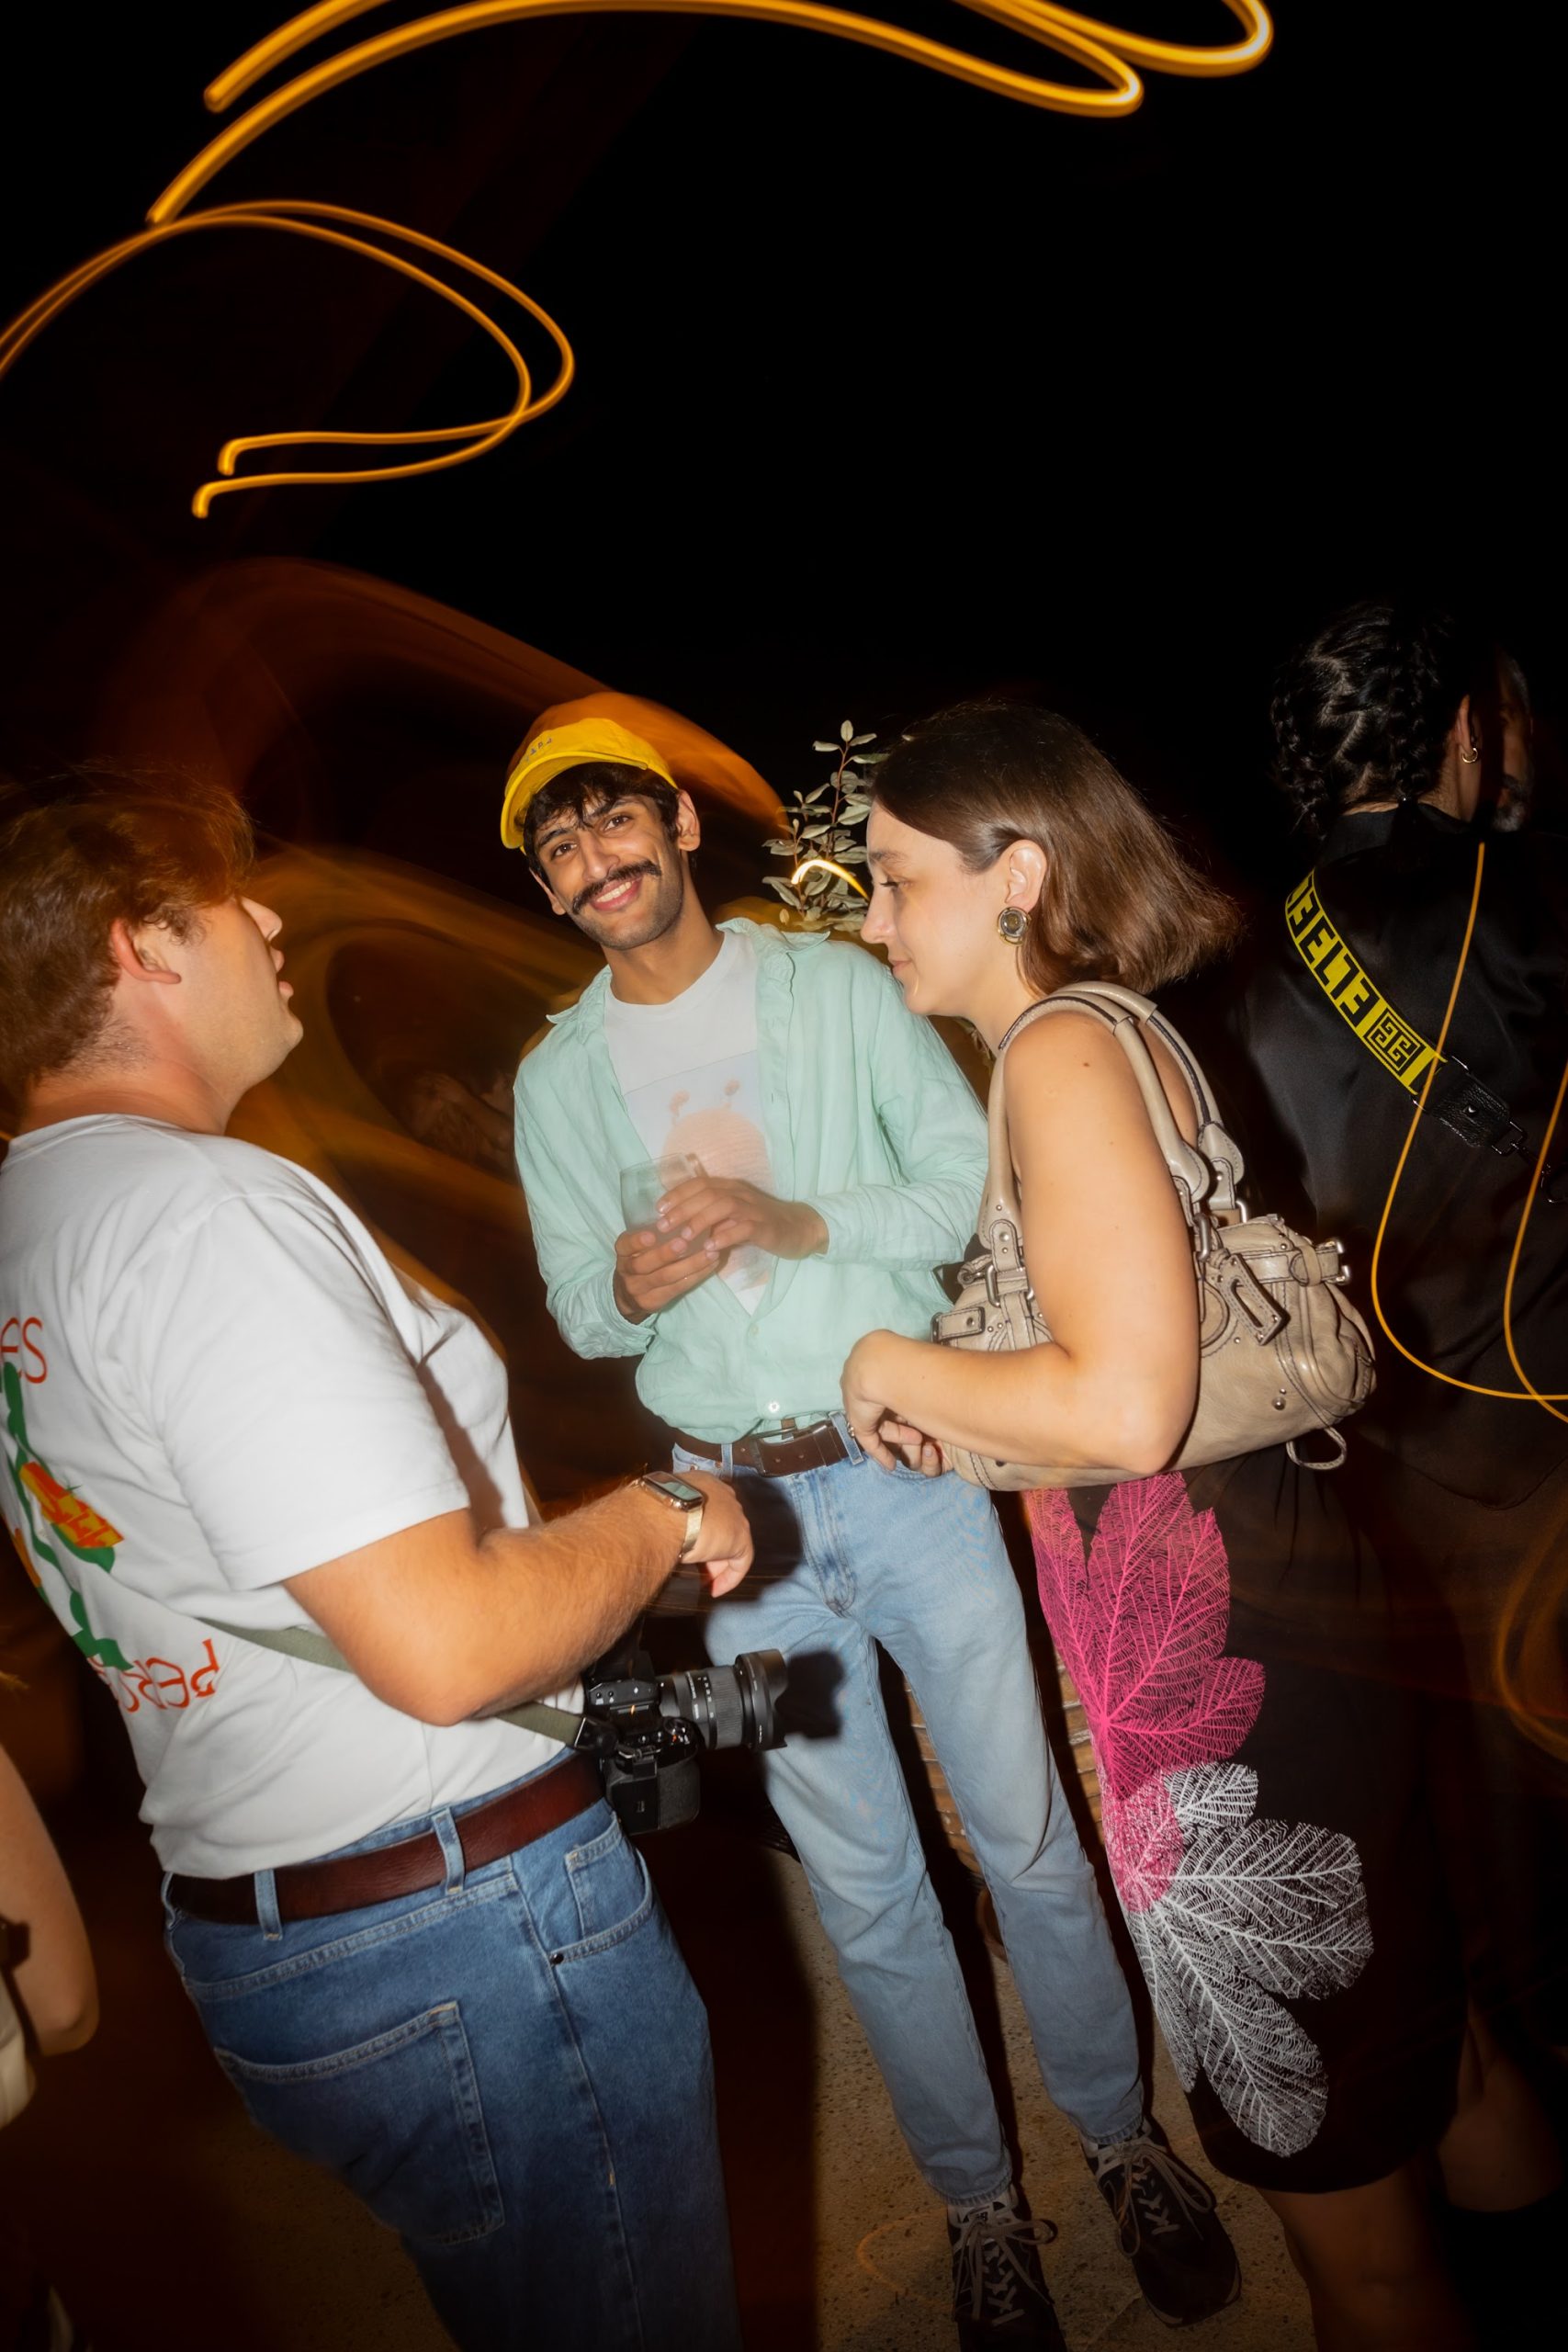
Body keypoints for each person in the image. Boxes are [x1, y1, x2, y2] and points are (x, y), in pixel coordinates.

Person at [503, 709, 1238, 2349]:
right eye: (557, 848)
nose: (593, 862)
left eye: (612, 822)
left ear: (679, 825)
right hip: (731, 1520)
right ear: (547, 888)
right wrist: (624, 1284)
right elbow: (577, 1311)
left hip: (906, 1463)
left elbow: (969, 1190)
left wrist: (795, 1218)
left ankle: (1123, 2145)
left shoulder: (836, 988)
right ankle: (982, 2210)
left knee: (1027, 1838)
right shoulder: (555, 1080)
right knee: (869, 1892)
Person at [0, 764, 754, 2352]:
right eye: (231, 902)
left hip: (274, 1937)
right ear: (141, 944)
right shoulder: (201, 1217)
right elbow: (447, 1647)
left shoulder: (35, 1220)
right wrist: (663, 1511)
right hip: (463, 1932)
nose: (273, 925)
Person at [840, 698, 1482, 2350]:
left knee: (1341, 2186)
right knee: (1431, 2058)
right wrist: (971, 1413)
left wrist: (885, 1362)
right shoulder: (1111, 1033)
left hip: (1232, 1681)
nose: (873, 916)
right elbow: (1117, 1372)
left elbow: (1127, 1412)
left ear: (1016, 875)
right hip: (1276, 1606)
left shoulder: (1057, 1053)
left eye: (896, 876)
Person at [1194, 603, 1568, 2325]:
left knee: (1472, 1883)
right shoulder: (1526, 897)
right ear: (1463, 732)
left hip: (1374, 1483)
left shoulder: (1236, 961)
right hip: (1544, 1443)